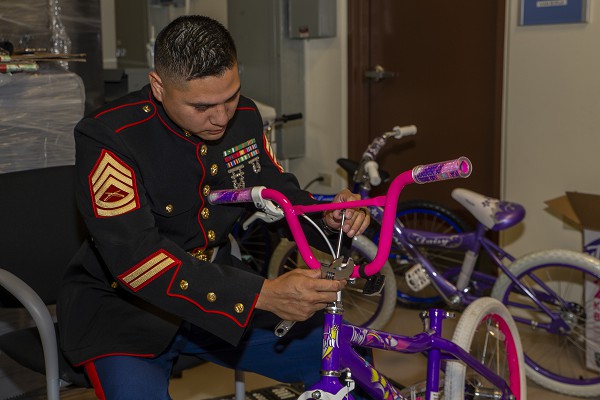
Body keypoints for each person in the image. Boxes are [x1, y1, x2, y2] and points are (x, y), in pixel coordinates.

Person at [57, 15, 369, 399]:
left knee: (347, 355)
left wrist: (331, 218)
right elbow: (137, 262)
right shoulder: (110, 136)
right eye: (202, 106)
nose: (221, 118)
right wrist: (262, 295)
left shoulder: (246, 119)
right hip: (126, 313)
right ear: (158, 86)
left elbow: (279, 196)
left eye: (231, 97)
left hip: (221, 294)